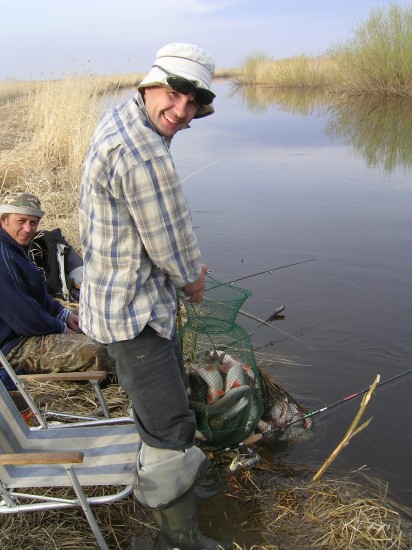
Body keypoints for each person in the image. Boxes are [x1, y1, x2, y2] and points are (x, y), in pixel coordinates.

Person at [79, 43, 232, 549]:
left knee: (161, 409)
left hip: (122, 298)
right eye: (174, 95)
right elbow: (171, 241)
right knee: (168, 426)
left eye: (193, 104)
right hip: (133, 314)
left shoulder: (125, 118)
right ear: (149, 86)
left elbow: (149, 228)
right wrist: (192, 279)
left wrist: (176, 268)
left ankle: (186, 485)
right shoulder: (142, 151)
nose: (182, 113)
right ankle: (178, 539)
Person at [0, 192, 114, 374]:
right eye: (21, 221)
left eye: (33, 222)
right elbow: (24, 318)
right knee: (96, 352)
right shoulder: (3, 256)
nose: (28, 229)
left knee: (98, 315)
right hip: (12, 346)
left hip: (28, 329)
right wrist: (61, 328)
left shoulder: (16, 247)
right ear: (4, 221)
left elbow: (36, 297)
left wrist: (64, 314)